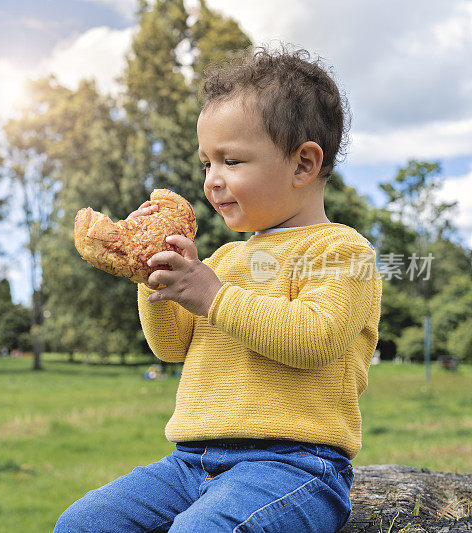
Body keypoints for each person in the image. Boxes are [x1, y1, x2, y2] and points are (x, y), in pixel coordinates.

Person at [54, 47, 382, 533]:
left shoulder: (340, 251)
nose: (212, 181)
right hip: (191, 463)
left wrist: (213, 296)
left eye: (231, 160)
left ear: (303, 164)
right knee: (82, 523)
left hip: (293, 466)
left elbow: (316, 338)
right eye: (206, 163)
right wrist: (152, 275)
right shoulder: (221, 260)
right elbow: (171, 346)